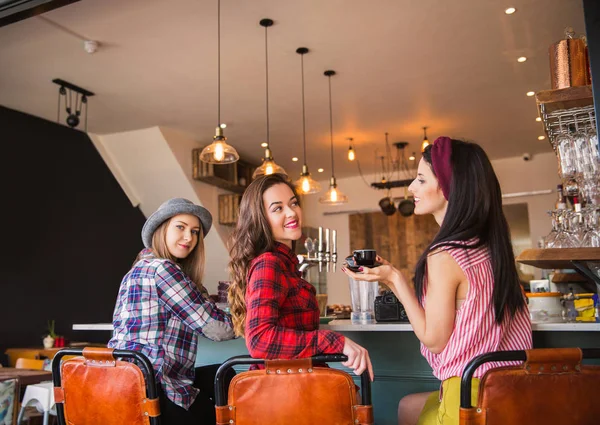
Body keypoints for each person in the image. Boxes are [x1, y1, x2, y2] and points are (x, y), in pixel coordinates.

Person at [342, 137, 532, 425]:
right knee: (408, 406)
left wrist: (394, 278)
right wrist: (393, 277)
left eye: (420, 179)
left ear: (447, 186)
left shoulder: (445, 255)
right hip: (507, 394)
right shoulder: (490, 248)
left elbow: (435, 341)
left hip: (466, 399)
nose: (411, 188)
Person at [228, 173, 374, 380]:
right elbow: (259, 340)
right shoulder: (270, 263)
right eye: (278, 208)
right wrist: (335, 341)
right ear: (260, 219)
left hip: (301, 380)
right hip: (287, 388)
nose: (291, 212)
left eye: (294, 203)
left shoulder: (285, 263)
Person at [108, 198, 235, 425]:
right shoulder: (164, 269)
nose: (189, 237)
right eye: (181, 227)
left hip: (123, 385)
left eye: (195, 232)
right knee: (230, 392)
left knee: (223, 376)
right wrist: (253, 318)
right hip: (156, 389)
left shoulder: (135, 270)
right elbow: (217, 329)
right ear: (161, 228)